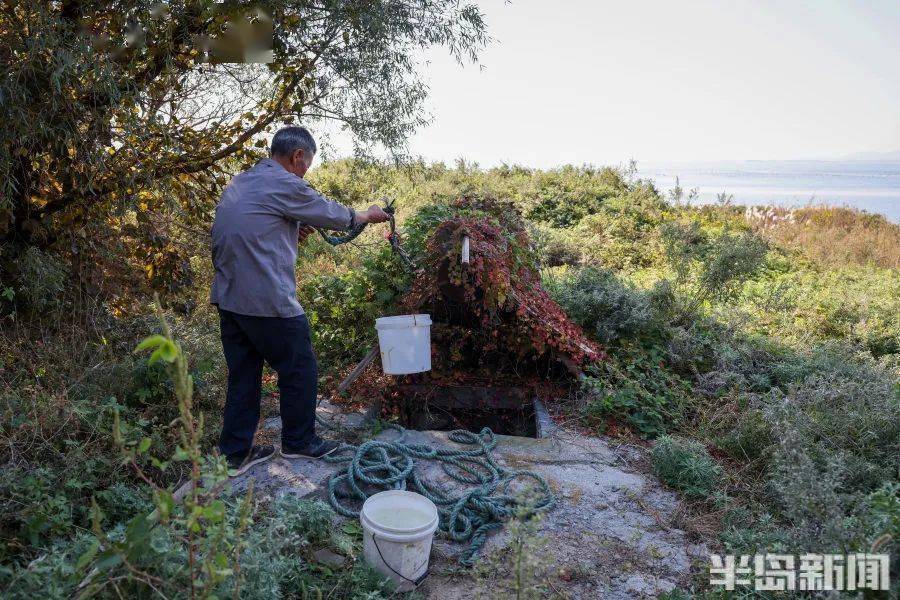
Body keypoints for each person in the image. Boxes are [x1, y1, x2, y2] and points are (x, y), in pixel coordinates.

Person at [210, 126, 390, 476]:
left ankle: (233, 454)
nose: (306, 172)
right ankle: (299, 443)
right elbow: (330, 212)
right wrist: (367, 215)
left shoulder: (243, 182)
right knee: (300, 367)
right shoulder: (285, 182)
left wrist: (290, 229)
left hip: (229, 298)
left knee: (244, 375)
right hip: (264, 299)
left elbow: (253, 229)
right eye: (307, 164)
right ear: (297, 157)